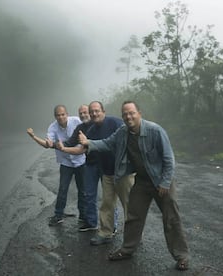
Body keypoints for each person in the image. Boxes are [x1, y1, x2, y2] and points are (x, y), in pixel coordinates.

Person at [78, 100, 190, 271]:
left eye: (131, 113)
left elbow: (169, 159)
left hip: (161, 181)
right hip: (142, 181)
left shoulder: (155, 130)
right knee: (133, 216)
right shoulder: (123, 132)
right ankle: (127, 249)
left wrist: (165, 182)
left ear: (139, 113)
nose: (128, 116)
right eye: (125, 114)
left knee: (171, 219)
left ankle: (182, 257)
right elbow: (107, 143)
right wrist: (89, 143)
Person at [58, 101, 134, 245]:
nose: (94, 114)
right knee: (107, 204)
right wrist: (64, 149)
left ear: (103, 111)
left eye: (96, 111)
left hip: (123, 172)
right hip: (107, 173)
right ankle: (106, 232)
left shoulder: (115, 123)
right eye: (92, 112)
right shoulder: (91, 131)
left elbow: (130, 138)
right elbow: (82, 149)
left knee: (129, 205)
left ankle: (133, 236)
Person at [27, 105, 86, 227]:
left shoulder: (76, 121)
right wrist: (34, 137)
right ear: (55, 116)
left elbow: (87, 132)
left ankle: (84, 216)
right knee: (63, 189)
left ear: (67, 114)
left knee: (83, 190)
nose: (61, 117)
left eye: (63, 114)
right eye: (58, 115)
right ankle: (58, 215)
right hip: (65, 162)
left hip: (80, 160)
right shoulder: (53, 127)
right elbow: (47, 143)